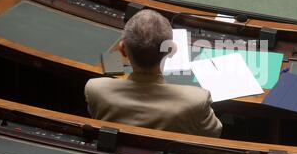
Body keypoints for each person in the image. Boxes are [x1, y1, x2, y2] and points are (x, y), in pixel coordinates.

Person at [84, 9, 222, 138]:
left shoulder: (95, 88)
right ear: (171, 50)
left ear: (122, 49)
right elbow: (214, 133)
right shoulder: (197, 99)